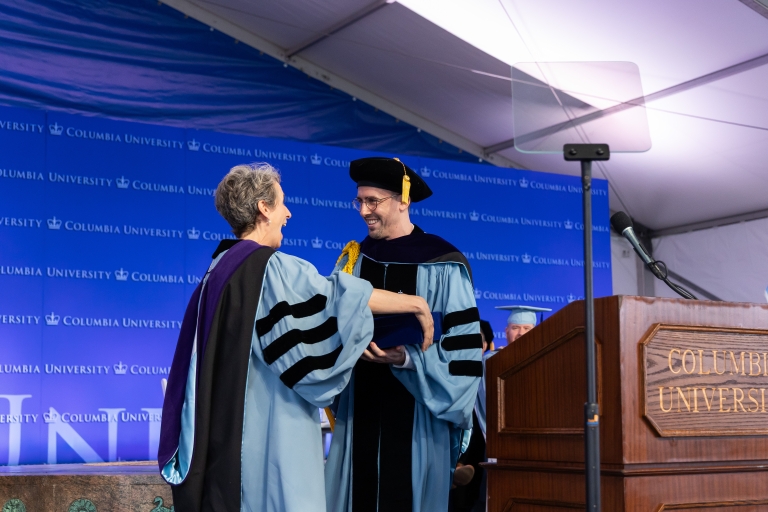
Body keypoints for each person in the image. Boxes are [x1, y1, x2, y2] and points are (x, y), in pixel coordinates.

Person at [157, 163, 434, 512]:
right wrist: (415, 304)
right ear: (263, 208)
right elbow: (337, 298)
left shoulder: (219, 267)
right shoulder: (267, 267)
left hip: (228, 435)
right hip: (270, 430)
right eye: (282, 203)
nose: (287, 213)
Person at [325, 157, 482, 512]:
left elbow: (465, 352)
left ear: (403, 200)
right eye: (359, 201)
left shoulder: (443, 264)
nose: (364, 211)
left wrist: (409, 357)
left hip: (417, 419)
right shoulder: (353, 261)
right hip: (359, 410)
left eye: (373, 201)